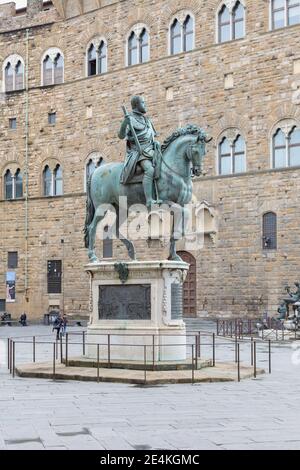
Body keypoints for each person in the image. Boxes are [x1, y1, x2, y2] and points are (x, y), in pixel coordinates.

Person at [118, 95, 162, 208]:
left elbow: (152, 136)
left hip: (151, 150)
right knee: (150, 169)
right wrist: (125, 123)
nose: (145, 105)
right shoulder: (130, 119)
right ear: (136, 105)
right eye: (143, 103)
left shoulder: (147, 120)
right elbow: (121, 135)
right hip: (138, 153)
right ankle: (149, 200)